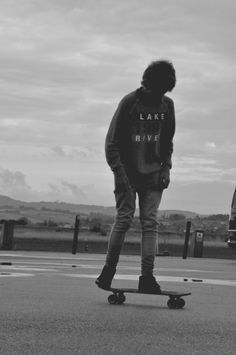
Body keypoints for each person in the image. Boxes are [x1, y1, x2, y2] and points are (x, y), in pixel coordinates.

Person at [95, 59, 176, 293]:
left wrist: (166, 168)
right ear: (147, 83)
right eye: (155, 90)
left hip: (154, 175)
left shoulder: (167, 106)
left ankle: (147, 278)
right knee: (124, 219)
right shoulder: (129, 102)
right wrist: (119, 174)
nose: (157, 95)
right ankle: (108, 272)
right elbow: (111, 143)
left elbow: (168, 141)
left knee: (150, 223)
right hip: (127, 174)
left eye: (162, 92)